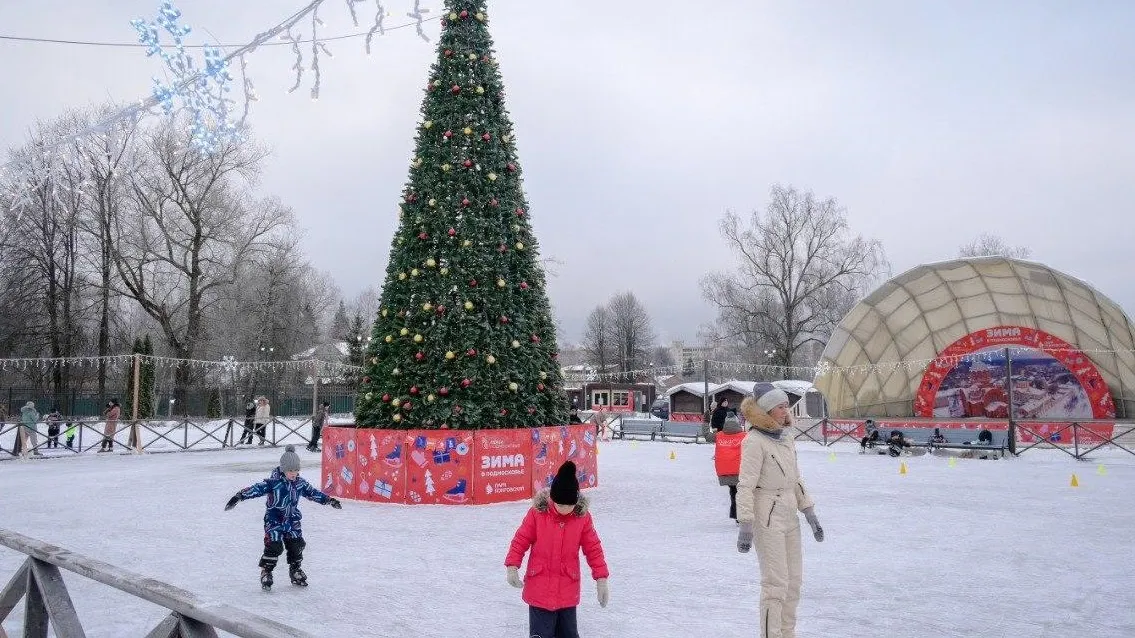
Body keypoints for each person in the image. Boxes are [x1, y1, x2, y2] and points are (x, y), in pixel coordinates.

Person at [736, 382, 823, 638]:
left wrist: (809, 512)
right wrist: (746, 524)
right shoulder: (754, 441)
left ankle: (787, 633)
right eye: (780, 407)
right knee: (775, 585)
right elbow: (745, 485)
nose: (786, 411)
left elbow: (795, 479)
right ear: (766, 410)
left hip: (789, 514)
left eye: (787, 406)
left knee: (793, 583)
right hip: (768, 515)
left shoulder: (786, 438)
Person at [505, 461, 609, 638]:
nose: (565, 509)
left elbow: (593, 548)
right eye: (560, 505)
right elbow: (520, 539)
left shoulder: (582, 518)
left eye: (569, 505)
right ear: (552, 499)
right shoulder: (537, 514)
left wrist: (601, 578)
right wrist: (512, 566)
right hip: (539, 589)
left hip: (567, 590)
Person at [224, 445, 342, 590]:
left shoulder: (300, 483)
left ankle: (295, 569)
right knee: (274, 546)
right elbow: (256, 489)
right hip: (274, 520)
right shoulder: (273, 483)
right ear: (283, 469)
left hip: (292, 520)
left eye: (296, 470)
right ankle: (266, 571)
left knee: (297, 545)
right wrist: (239, 496)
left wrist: (329, 500)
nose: (294, 473)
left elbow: (313, 492)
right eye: (291, 470)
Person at [715, 414, 746, 521]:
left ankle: (735, 515)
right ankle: (741, 516)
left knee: (733, 492)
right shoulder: (745, 436)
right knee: (743, 494)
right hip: (741, 471)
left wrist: (706, 421)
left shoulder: (719, 435)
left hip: (725, 471)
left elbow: (706, 435)